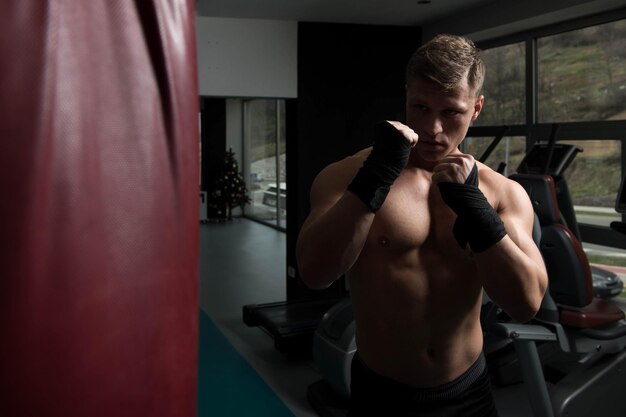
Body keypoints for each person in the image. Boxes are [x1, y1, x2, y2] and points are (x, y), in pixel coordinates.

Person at [296, 34, 548, 416]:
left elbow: (526, 303)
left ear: (476, 108)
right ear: (406, 98)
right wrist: (374, 179)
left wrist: (477, 213)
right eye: (421, 107)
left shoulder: (501, 193)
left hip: (468, 393)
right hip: (381, 395)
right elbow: (315, 273)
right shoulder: (349, 175)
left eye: (451, 112)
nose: (433, 128)